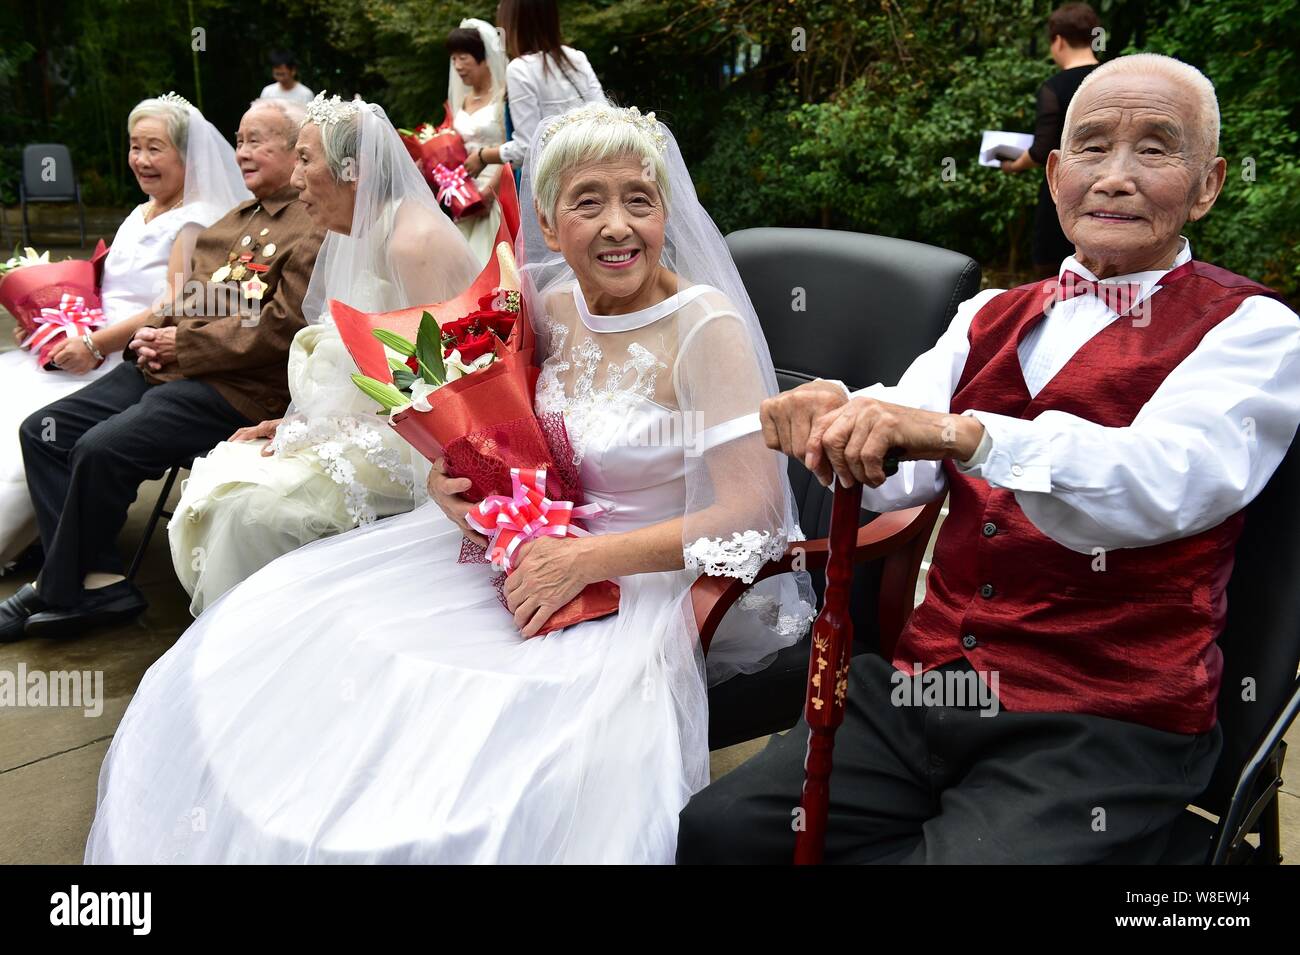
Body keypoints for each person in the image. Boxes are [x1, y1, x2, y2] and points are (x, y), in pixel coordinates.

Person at [83, 102, 815, 864]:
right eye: (588, 201)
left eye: (639, 199)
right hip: (525, 548)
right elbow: (490, 424)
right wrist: (447, 476)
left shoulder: (705, 326)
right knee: (299, 625)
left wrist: (587, 561)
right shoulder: (544, 300)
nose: (618, 226)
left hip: (645, 581)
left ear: (667, 210)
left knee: (460, 722)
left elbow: (755, 515)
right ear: (547, 217)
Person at [677, 54, 1300, 864]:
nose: (1115, 176)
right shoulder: (989, 316)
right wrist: (833, 420)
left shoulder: (1254, 331)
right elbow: (895, 471)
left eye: (1155, 149)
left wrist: (974, 433)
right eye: (1092, 147)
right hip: (934, 683)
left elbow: (1166, 481)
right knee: (720, 832)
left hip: (1103, 717)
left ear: (1209, 183)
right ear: (1052, 173)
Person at [0, 98, 323, 641]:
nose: (242, 152)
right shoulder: (231, 222)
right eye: (239, 140)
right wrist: (150, 337)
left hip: (236, 389)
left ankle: (56, 590)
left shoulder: (312, 227)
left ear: (295, 152)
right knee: (42, 434)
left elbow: (282, 327)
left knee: (101, 448)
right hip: (168, 367)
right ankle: (99, 581)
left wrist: (185, 347)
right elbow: (188, 294)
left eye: (257, 141)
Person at [167, 94, 480, 616]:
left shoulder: (412, 243)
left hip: (419, 446)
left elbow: (438, 388)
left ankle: (267, 633)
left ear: (352, 171)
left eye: (306, 160)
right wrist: (294, 422)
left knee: (251, 509)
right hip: (362, 426)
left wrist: (321, 432)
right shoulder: (356, 236)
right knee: (223, 475)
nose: (294, 180)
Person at [0, 92, 250, 572]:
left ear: (186, 155)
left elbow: (171, 306)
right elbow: (109, 287)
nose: (141, 160)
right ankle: (63, 553)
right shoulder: (142, 211)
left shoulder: (193, 222)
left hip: (131, 354)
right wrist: (46, 323)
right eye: (135, 147)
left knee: (32, 423)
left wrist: (94, 343)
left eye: (155, 148)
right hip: (94, 342)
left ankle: (68, 564)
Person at [1001, 2, 1101, 276]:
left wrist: (1013, 165)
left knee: (1056, 273)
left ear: (1058, 41)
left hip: (1065, 191)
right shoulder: (1112, 79)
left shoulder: (1055, 87)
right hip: (1108, 189)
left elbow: (1042, 150)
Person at [463, 0, 603, 185]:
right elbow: (604, 116)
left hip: (551, 183)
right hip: (591, 172)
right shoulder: (576, 58)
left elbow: (527, 148)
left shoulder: (520, 69)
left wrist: (483, 156)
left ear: (514, 23)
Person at [446, 19, 509, 266]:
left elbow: (512, 147)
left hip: (496, 189)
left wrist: (490, 192)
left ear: (484, 58)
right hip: (464, 193)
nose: (458, 66)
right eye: (453, 59)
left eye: (464, 58)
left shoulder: (503, 97)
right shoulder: (462, 101)